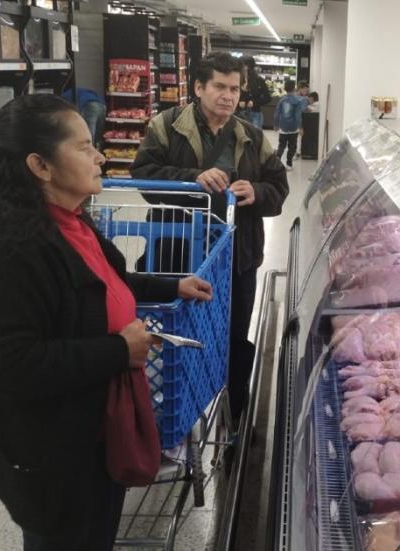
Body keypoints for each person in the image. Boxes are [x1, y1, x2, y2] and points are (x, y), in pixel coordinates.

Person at [0, 94, 213, 550]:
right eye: (85, 147)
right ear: (40, 165)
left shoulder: (67, 219)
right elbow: (7, 364)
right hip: (51, 452)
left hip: (91, 432)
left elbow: (98, 282)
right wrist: (119, 350)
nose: (100, 156)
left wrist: (170, 285)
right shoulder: (11, 248)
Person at [130, 52, 289, 422]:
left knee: (232, 335)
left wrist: (258, 193)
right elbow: (144, 176)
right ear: (199, 87)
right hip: (177, 254)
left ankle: (234, 414)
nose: (228, 95)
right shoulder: (166, 126)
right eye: (219, 86)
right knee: (178, 336)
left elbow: (278, 187)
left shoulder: (250, 135)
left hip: (237, 258)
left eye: (234, 88)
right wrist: (190, 179)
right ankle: (177, 411)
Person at [274, 80, 307, 169]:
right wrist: (300, 127)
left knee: (281, 145)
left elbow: (277, 113)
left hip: (283, 127)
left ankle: (277, 161)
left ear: (285, 88)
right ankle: (289, 164)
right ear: (294, 88)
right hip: (293, 128)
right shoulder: (297, 101)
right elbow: (298, 116)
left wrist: (276, 125)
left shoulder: (281, 100)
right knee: (292, 146)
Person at [239, 56, 271, 129]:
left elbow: (267, 98)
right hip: (238, 113)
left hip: (255, 113)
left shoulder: (258, 80)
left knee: (255, 137)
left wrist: (254, 103)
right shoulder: (237, 79)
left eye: (241, 65)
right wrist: (238, 102)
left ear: (247, 66)